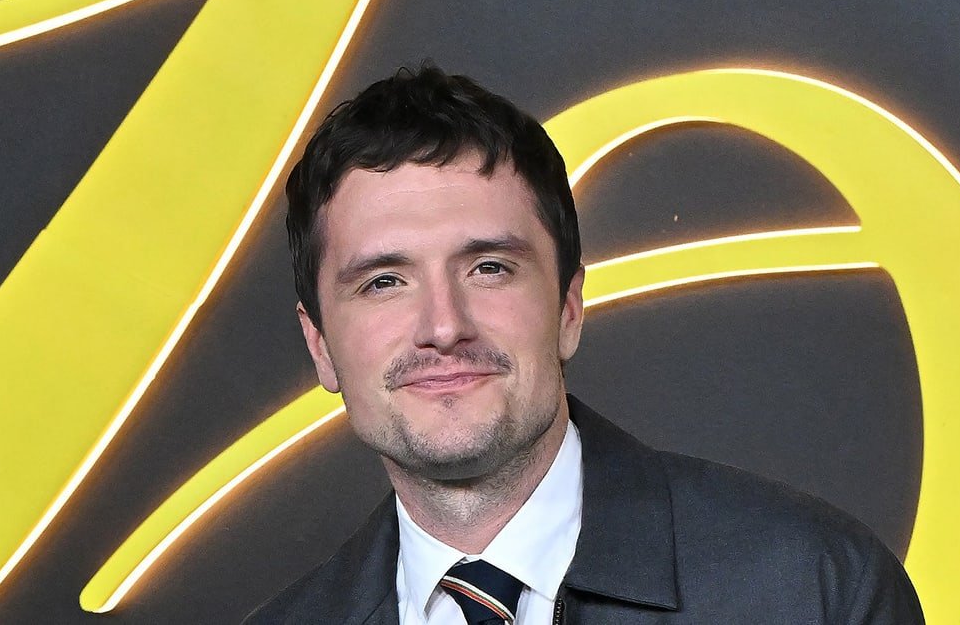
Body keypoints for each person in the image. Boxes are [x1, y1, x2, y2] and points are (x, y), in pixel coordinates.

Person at [244, 65, 924, 624]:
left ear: (569, 306)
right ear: (320, 345)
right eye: (384, 282)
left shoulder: (814, 592)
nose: (443, 326)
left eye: (489, 268)